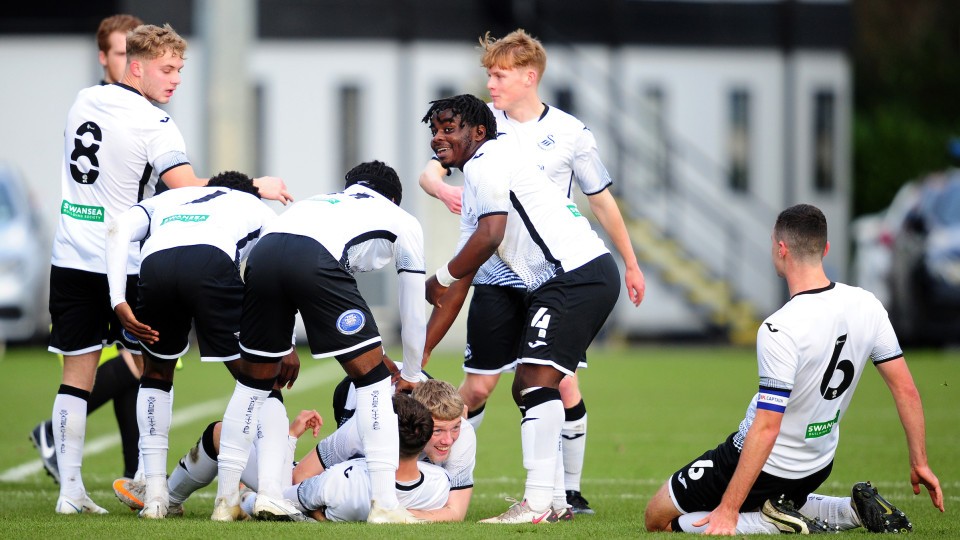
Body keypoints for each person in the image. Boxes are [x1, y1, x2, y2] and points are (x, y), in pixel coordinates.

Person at [47, 22, 291, 516]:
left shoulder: (83, 101)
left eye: (180, 68)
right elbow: (185, 187)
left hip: (71, 252)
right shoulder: (154, 123)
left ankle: (72, 491)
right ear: (135, 67)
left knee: (79, 375)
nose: (176, 78)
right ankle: (175, 482)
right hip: (130, 259)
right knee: (159, 367)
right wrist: (252, 185)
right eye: (167, 68)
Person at [418, 28, 645, 515]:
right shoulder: (481, 147)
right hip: (556, 275)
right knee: (523, 382)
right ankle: (545, 499)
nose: (438, 142)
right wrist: (418, 357)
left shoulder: (513, 146)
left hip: (572, 273)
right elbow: (462, 274)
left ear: (530, 76)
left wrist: (438, 275)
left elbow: (493, 235)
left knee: (541, 382)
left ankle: (546, 499)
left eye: (499, 75)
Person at [643, 204, 945, 535]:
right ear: (825, 249)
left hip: (768, 464)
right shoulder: (868, 305)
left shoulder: (779, 328)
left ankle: (769, 520)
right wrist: (920, 464)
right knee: (770, 495)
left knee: (658, 519)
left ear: (781, 249)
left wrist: (728, 510)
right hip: (817, 463)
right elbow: (906, 389)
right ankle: (849, 510)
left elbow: (768, 427)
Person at [212, 160, 426, 524]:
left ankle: (225, 502)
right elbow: (413, 303)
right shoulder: (399, 216)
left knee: (252, 386)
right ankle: (386, 504)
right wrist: (412, 371)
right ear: (394, 197)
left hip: (264, 254)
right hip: (313, 258)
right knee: (373, 382)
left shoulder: (320, 202)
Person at [104, 170, 281, 519]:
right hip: (211, 263)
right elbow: (275, 265)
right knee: (260, 381)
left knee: (155, 375)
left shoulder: (166, 199)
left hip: (155, 267)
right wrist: (284, 342)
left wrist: (117, 300)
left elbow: (117, 229)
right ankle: (231, 499)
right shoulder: (252, 204)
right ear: (249, 192)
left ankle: (155, 497)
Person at [29, 12, 145, 487]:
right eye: (124, 54)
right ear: (104, 57)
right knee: (135, 363)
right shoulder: (98, 111)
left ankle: (132, 470)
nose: (133, 64)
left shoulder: (102, 106)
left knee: (133, 369)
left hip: (110, 257)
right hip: (96, 261)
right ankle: (55, 437)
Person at [293, 378, 477, 521]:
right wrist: (319, 515)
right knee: (349, 477)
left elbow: (455, 511)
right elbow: (302, 474)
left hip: (406, 391)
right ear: (420, 423)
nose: (448, 440)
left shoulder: (464, 435)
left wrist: (395, 515)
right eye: (437, 430)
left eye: (455, 427)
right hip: (354, 393)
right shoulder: (362, 429)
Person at [273, 394, 446, 522]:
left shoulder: (339, 480)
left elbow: (282, 499)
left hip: (291, 477)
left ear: (383, 439)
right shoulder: (441, 484)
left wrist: (291, 436)